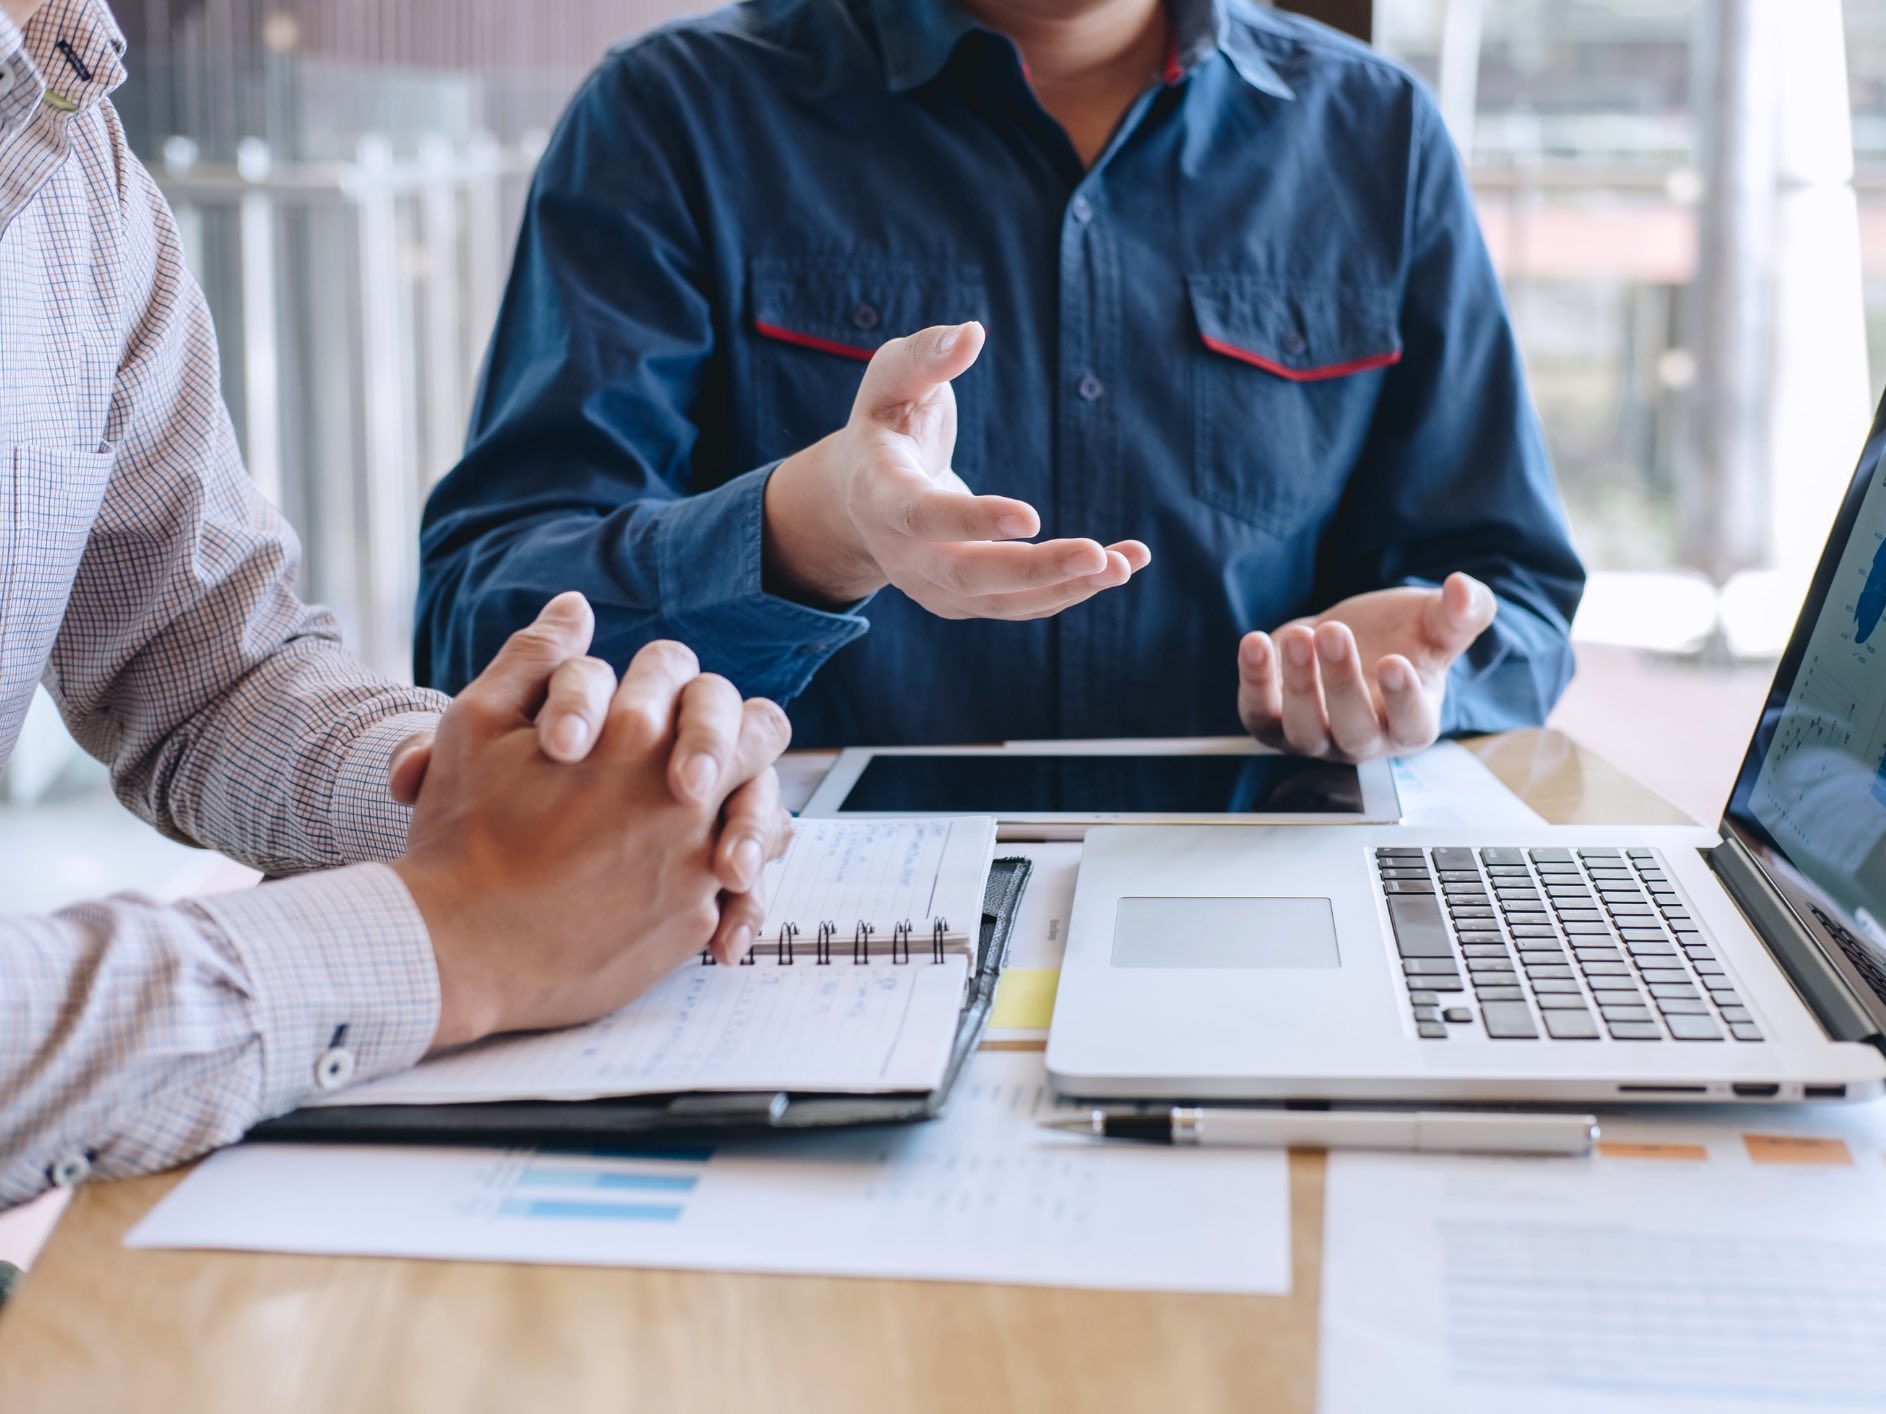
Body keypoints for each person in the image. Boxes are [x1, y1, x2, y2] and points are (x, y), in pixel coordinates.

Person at [0, 0, 792, 1210]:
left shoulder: (62, 135)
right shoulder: (683, 100)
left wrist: (530, 785)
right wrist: (451, 936)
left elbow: (208, 667)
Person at [416, 0, 1586, 762]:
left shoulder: (1374, 139)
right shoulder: (674, 117)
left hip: (1265, 901)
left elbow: (1513, 596)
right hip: (777, 910)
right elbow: (479, 624)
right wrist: (805, 533)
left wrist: (1409, 673)